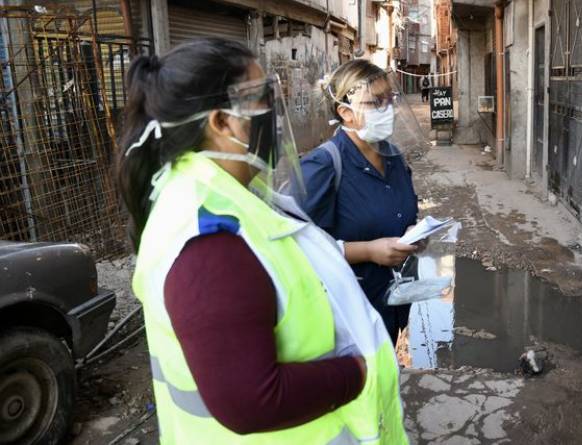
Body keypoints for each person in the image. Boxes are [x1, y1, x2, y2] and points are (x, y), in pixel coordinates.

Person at [117, 38, 407, 444]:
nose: (275, 116)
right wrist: (359, 372)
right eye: (263, 100)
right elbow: (250, 399)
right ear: (220, 122)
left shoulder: (232, 195)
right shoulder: (208, 236)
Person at [300, 59, 420, 345]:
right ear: (346, 113)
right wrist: (367, 251)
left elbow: (400, 213)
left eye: (389, 99)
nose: (387, 109)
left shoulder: (393, 156)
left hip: (391, 305)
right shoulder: (323, 165)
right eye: (375, 103)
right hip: (346, 319)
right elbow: (298, 248)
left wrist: (414, 235)